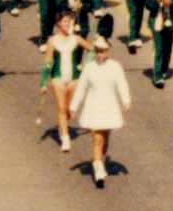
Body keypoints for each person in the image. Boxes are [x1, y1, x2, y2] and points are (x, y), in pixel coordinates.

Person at [69, 24, 130, 188]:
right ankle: (98, 170)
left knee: (104, 139)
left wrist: (126, 100)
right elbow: (81, 88)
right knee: (96, 138)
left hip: (109, 105)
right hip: (94, 106)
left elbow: (121, 84)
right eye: (97, 51)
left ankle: (99, 161)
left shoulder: (115, 67)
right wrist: (74, 106)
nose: (99, 54)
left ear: (108, 51)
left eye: (102, 51)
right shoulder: (89, 68)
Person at [40, 10, 87, 153]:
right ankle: (65, 138)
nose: (67, 24)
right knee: (61, 108)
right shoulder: (52, 40)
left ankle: (62, 126)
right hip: (58, 78)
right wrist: (43, 83)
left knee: (69, 109)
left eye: (69, 21)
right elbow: (48, 62)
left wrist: (83, 65)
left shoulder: (76, 38)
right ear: (59, 23)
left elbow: (92, 49)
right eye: (65, 21)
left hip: (73, 78)